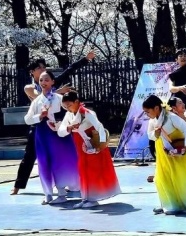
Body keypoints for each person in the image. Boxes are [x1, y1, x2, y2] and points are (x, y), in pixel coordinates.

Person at [11, 51, 94, 195]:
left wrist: (85, 59)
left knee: (63, 154)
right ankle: (18, 185)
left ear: (51, 80)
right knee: (30, 155)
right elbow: (41, 97)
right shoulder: (30, 87)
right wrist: (58, 91)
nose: (43, 71)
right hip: (39, 126)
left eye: (44, 68)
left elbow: (69, 71)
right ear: (32, 72)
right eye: (39, 69)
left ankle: (67, 183)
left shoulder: (53, 86)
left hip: (55, 126)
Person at [143, 94, 186, 215]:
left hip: (177, 152)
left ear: (156, 108)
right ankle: (167, 204)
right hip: (163, 153)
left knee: (180, 178)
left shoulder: (171, 117)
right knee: (161, 179)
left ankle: (185, 204)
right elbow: (150, 136)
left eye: (147, 111)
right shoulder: (152, 121)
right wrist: (155, 133)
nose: (146, 114)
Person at [22, 71, 80, 205]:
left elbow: (71, 112)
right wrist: (40, 116)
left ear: (53, 82)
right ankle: (48, 193)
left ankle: (62, 192)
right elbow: (27, 119)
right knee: (44, 163)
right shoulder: (37, 101)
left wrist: (61, 124)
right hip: (42, 135)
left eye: (46, 80)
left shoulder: (59, 98)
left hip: (58, 134)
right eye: (41, 80)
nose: (43, 83)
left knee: (60, 162)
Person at [58, 90, 121, 208]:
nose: (67, 108)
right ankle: (85, 198)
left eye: (69, 105)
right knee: (83, 170)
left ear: (76, 102)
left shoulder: (87, 113)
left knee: (93, 170)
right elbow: (61, 132)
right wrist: (69, 128)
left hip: (92, 144)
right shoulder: (68, 115)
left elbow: (99, 127)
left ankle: (93, 198)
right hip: (80, 145)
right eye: (65, 106)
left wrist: (102, 144)